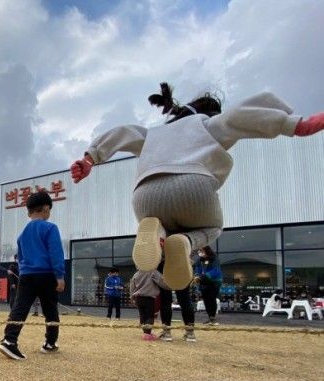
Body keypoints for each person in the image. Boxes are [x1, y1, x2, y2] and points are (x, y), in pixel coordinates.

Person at [71, 83, 324, 290]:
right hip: (193, 186)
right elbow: (239, 117)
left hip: (145, 196)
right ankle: (186, 241)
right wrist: (296, 125)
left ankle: (159, 233)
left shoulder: (154, 135)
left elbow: (123, 132)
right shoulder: (208, 124)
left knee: (162, 223)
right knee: (213, 227)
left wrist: (90, 158)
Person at [0, 191, 65, 360]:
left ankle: (9, 340)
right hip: (47, 274)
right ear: (46, 209)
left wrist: (25, 271)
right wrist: (60, 276)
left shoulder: (22, 235)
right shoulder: (50, 228)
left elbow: (20, 258)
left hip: (27, 275)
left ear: (29, 212)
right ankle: (50, 343)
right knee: (50, 309)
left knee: (20, 307)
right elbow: (56, 252)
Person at [130, 268, 170, 340]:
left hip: (138, 298)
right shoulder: (153, 272)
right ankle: (147, 334)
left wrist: (132, 297)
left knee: (142, 315)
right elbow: (162, 282)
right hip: (149, 298)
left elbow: (132, 286)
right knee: (150, 316)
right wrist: (171, 286)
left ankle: (145, 332)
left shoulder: (136, 274)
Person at [193, 246, 222, 325]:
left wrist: (204, 276)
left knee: (211, 299)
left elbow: (216, 270)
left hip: (214, 282)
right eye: (199, 251)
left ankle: (213, 318)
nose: (199, 252)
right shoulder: (200, 260)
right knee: (206, 300)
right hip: (203, 282)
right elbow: (197, 269)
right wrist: (196, 276)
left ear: (207, 250)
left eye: (201, 250)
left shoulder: (214, 258)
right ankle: (210, 318)